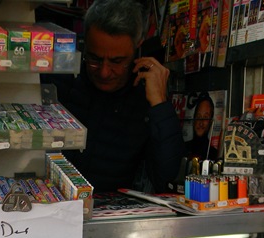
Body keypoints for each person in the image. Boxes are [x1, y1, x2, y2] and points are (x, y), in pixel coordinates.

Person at [44, 0, 185, 193]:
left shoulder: (144, 96)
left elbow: (167, 180)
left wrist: (160, 106)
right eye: (94, 58)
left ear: (138, 45)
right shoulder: (59, 77)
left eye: (117, 62)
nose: (104, 72)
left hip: (107, 217)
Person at [185, 94, 219, 162]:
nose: (201, 122)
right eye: (199, 117)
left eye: (205, 117)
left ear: (211, 122)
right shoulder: (183, 149)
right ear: (194, 119)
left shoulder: (214, 154)